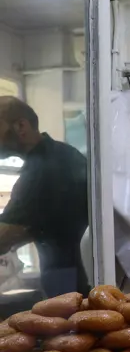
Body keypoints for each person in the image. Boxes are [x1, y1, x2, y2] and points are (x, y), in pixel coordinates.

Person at [0, 97, 90, 297]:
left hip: (66, 276)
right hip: (80, 270)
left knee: (66, 325)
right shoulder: (64, 153)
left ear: (21, 126)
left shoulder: (40, 170)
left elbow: (4, 236)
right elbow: (45, 221)